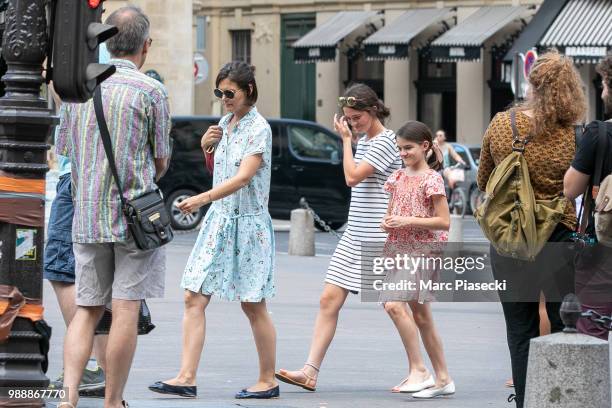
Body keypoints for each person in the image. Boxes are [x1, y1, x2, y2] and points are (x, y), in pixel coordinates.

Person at [56, 6, 171, 408]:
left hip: (86, 216)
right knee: (124, 309)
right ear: (146, 46)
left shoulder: (77, 90)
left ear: (104, 40)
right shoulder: (151, 91)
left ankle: (68, 398)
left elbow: (65, 151)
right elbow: (161, 161)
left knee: (87, 310)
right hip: (133, 219)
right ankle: (112, 401)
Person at [149, 61, 279, 400]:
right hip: (219, 221)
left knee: (253, 304)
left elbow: (244, 177)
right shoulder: (225, 124)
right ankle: (186, 376)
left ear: (248, 90)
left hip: (248, 224)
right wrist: (208, 149)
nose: (224, 98)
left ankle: (268, 379)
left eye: (229, 93)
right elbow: (222, 171)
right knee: (193, 295)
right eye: (219, 92)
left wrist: (200, 199)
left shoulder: (259, 128)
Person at [477, 51, 586, 408]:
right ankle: (558, 400)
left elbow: (484, 180)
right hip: (558, 237)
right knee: (560, 326)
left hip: (510, 238)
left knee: (519, 330)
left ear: (531, 84)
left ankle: (526, 401)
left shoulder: (501, 124)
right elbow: (580, 187)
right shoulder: (573, 135)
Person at [275, 83, 402, 391]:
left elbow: (352, 177)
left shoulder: (385, 141)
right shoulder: (368, 141)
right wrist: (353, 140)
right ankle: (310, 371)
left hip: (376, 236)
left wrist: (346, 141)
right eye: (348, 118)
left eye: (356, 117)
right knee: (328, 300)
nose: (352, 124)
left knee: (398, 308)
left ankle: (424, 369)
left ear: (372, 112)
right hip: (355, 233)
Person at [44, 46, 114, 398]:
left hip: (76, 182)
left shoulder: (72, 56)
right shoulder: (109, 59)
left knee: (61, 268)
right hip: (107, 184)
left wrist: (53, 84)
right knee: (97, 278)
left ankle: (88, 363)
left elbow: (66, 140)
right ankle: (101, 367)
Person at [378, 121, 454, 398]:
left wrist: (406, 220)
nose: (403, 153)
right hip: (399, 248)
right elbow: (390, 214)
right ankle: (443, 377)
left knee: (393, 305)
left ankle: (419, 370)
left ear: (425, 146)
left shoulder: (432, 178)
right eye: (399, 149)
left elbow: (444, 222)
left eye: (408, 148)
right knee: (421, 316)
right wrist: (387, 224)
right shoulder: (397, 177)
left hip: (423, 250)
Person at [564, 54, 612, 341]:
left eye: (605, 84)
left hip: (601, 248)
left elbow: (570, 188)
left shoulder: (600, 133)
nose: (603, 91)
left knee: (591, 334)